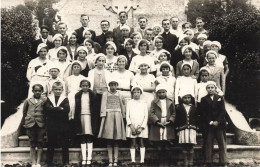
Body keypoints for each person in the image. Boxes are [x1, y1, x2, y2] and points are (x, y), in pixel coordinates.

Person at [98, 79, 126, 167]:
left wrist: (123, 116)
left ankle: (116, 160)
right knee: (109, 139)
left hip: (118, 116)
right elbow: (103, 105)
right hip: (108, 116)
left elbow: (122, 105)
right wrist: (103, 115)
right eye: (111, 85)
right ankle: (110, 160)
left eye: (115, 85)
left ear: (117, 85)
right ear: (109, 86)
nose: (113, 87)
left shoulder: (120, 94)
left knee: (116, 139)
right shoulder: (105, 94)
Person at [200, 81, 227, 167]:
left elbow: (223, 111)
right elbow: (203, 112)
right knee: (208, 143)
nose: (210, 89)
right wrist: (210, 121)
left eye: (212, 88)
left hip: (219, 125)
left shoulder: (220, 98)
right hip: (209, 125)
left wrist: (217, 121)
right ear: (206, 89)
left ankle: (223, 162)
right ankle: (208, 161)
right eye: (208, 88)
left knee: (221, 143)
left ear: (215, 88)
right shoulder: (203, 99)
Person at [149, 84, 176, 166]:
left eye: (163, 92)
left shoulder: (170, 101)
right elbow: (152, 113)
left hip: (167, 122)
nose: (161, 94)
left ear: (166, 92)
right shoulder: (154, 102)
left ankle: (167, 162)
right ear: (157, 93)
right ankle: (160, 162)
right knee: (159, 144)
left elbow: (173, 113)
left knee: (167, 143)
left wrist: (170, 121)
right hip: (158, 122)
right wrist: (157, 121)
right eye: (159, 92)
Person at [44, 82, 70, 167]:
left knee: (64, 143)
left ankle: (65, 162)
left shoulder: (65, 98)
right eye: (56, 89)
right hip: (52, 124)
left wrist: (54, 109)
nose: (57, 91)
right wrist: (59, 109)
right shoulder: (49, 98)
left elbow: (66, 110)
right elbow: (47, 109)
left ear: (62, 90)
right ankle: (49, 162)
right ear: (52, 90)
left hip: (63, 124)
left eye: (59, 89)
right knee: (51, 143)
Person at [74, 79, 99, 166]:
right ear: (80, 86)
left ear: (89, 86)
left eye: (87, 86)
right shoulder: (77, 95)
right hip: (81, 116)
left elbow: (96, 109)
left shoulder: (93, 95)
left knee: (89, 136)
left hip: (90, 117)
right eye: (83, 86)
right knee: (82, 136)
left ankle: (89, 158)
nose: (85, 87)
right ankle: (84, 158)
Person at [22, 84, 47, 167]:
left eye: (39, 91)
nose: (37, 92)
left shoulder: (44, 100)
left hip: (40, 124)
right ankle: (33, 162)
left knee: (40, 142)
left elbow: (46, 112)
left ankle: (38, 162)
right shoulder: (28, 100)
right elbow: (24, 112)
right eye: (35, 90)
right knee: (32, 143)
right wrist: (25, 123)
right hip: (30, 124)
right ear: (32, 91)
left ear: (42, 91)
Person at [126, 86, 148, 166]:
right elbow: (127, 115)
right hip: (132, 126)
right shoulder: (129, 102)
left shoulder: (144, 102)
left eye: (138, 92)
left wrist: (141, 127)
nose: (136, 94)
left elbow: (146, 116)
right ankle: (133, 161)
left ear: (140, 93)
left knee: (142, 142)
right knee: (133, 143)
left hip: (141, 126)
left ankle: (142, 161)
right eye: (134, 92)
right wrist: (131, 126)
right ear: (132, 93)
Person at [175, 93, 198, 167]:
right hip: (183, 129)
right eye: (185, 98)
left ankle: (191, 161)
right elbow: (177, 119)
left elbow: (197, 119)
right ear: (182, 99)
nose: (187, 99)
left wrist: (196, 128)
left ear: (191, 99)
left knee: (191, 145)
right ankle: (185, 161)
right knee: (184, 145)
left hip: (192, 129)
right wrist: (178, 129)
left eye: (188, 98)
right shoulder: (179, 108)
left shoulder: (194, 108)